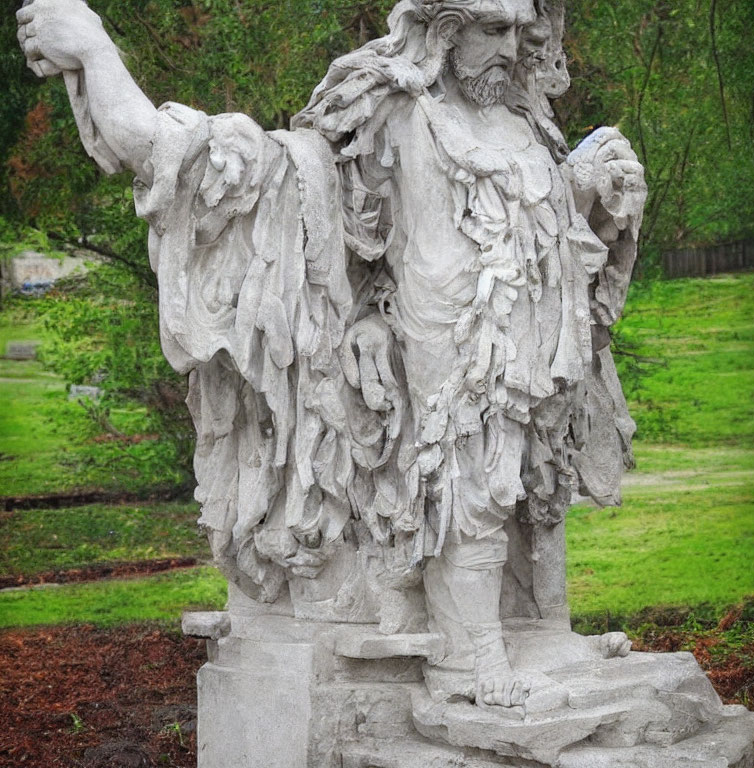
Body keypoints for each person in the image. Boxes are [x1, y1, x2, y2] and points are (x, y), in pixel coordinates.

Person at [17, 0, 646, 711]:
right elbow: (310, 217)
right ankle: (469, 660)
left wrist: (590, 189)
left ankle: (540, 629)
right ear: (443, 31)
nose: (516, 45)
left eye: (523, 30)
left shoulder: (524, 124)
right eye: (493, 29)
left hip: (536, 351)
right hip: (446, 352)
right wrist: (96, 55)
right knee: (471, 492)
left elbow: (538, 219)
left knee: (537, 487)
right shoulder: (395, 115)